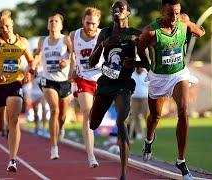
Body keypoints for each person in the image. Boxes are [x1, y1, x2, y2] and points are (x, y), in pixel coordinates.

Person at [137, 0, 205, 179]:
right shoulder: (150, 32)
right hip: (158, 78)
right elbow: (140, 49)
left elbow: (197, 31)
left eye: (176, 12)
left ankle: (181, 161)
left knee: (183, 112)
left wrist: (200, 31)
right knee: (155, 117)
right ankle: (149, 139)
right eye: (170, 13)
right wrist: (147, 66)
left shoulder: (183, 22)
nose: (174, 17)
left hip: (178, 74)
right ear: (162, 12)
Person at [89, 1, 148, 179]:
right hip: (106, 82)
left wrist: (134, 63)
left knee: (121, 122)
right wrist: (103, 45)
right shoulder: (105, 33)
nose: (116, 10)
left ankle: (123, 175)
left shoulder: (135, 35)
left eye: (120, 8)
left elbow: (146, 64)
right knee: (93, 123)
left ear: (128, 12)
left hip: (123, 83)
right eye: (114, 8)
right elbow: (91, 62)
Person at [0, 10, 35, 172]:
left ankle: (12, 160)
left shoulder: (22, 42)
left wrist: (30, 71)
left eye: (7, 26)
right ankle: (1, 126)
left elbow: (31, 61)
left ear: (12, 24)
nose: (5, 29)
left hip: (14, 83)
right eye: (1, 27)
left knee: (14, 120)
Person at [33, 13, 73, 160]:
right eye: (51, 21)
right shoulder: (42, 41)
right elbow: (37, 55)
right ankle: (54, 147)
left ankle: (60, 127)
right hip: (48, 80)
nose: (53, 23)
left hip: (64, 81)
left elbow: (73, 55)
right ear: (47, 24)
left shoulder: (66, 39)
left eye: (56, 21)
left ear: (61, 25)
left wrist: (67, 62)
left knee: (62, 115)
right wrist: (34, 65)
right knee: (54, 110)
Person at [69, 7, 102, 168]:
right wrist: (71, 69)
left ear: (98, 23)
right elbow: (71, 56)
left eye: (93, 24)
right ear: (83, 21)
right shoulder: (73, 35)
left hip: (102, 80)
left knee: (98, 115)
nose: (90, 27)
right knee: (87, 112)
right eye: (87, 23)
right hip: (84, 79)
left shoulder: (103, 35)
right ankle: (91, 155)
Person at [128, 67, 148, 142]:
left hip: (144, 97)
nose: (139, 68)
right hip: (134, 98)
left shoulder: (146, 73)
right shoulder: (132, 74)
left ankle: (150, 133)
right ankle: (140, 133)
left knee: (146, 115)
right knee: (135, 116)